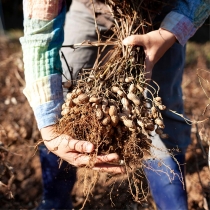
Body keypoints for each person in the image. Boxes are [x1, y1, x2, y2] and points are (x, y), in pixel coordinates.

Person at [20, 0, 210, 209]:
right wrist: (49, 125)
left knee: (164, 112)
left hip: (163, 16)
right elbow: (40, 27)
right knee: (63, 92)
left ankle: (174, 205)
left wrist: (168, 33)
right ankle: (54, 201)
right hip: (91, 7)